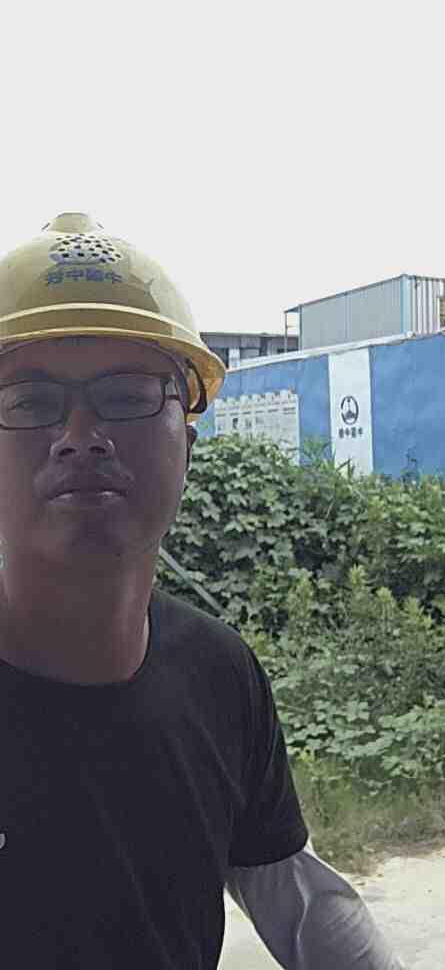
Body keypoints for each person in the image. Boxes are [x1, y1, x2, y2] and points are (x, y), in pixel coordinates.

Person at [0, 213, 405, 969]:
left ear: (185, 446)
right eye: (28, 401)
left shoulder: (220, 675)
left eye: (126, 395)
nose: (80, 435)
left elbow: (302, 902)